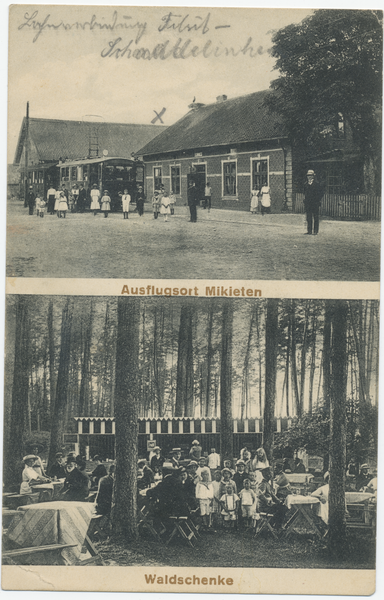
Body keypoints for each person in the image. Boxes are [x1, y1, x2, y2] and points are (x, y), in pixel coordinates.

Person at [303, 169, 322, 235]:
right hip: (308, 203)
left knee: (316, 217)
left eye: (310, 175)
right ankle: (309, 230)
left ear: (313, 176)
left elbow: (320, 193)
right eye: (308, 175)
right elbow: (304, 193)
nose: (309, 177)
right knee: (308, 217)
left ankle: (315, 231)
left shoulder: (317, 184)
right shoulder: (305, 184)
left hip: (315, 203)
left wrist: (317, 200)